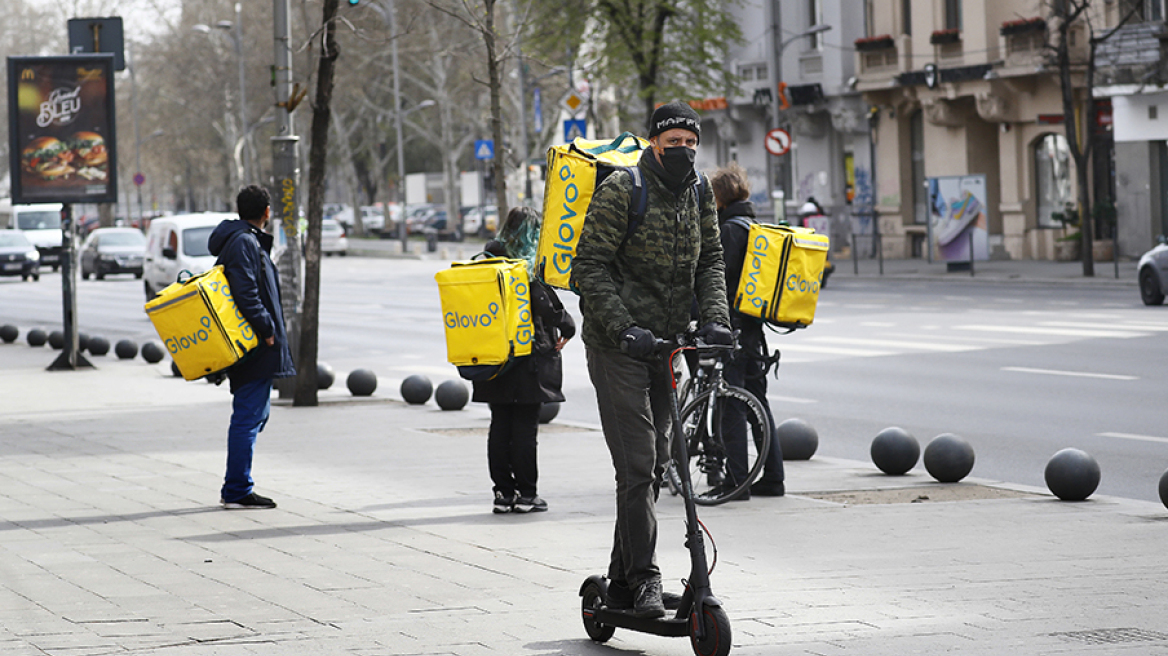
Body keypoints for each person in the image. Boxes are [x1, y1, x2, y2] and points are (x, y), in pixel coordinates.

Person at [572, 100, 731, 619]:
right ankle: (644, 578)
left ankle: (620, 581)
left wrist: (716, 320)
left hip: (666, 346)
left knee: (657, 463)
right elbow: (587, 267)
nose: (683, 151)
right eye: (673, 143)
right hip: (617, 346)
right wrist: (624, 328)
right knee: (639, 465)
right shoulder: (624, 189)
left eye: (691, 143)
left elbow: (710, 261)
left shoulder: (699, 191)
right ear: (654, 143)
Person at [472, 206, 575, 514]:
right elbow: (547, 307)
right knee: (525, 429)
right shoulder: (529, 264)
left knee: (500, 425)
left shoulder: (488, 260)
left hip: (494, 355)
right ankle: (528, 495)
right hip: (529, 357)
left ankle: (503, 494)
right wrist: (568, 326)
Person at [207, 185, 296, 509]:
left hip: (253, 343)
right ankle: (237, 490)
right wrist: (267, 328)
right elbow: (246, 292)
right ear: (266, 212)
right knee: (247, 417)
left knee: (256, 415)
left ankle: (237, 485)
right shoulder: (245, 242)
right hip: (255, 344)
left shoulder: (243, 240)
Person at [708, 161, 785, 499]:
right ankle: (774, 478)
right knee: (758, 404)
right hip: (754, 332)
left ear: (720, 198)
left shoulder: (729, 231)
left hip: (733, 330)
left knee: (732, 405)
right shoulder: (755, 226)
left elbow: (718, 283)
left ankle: (737, 482)